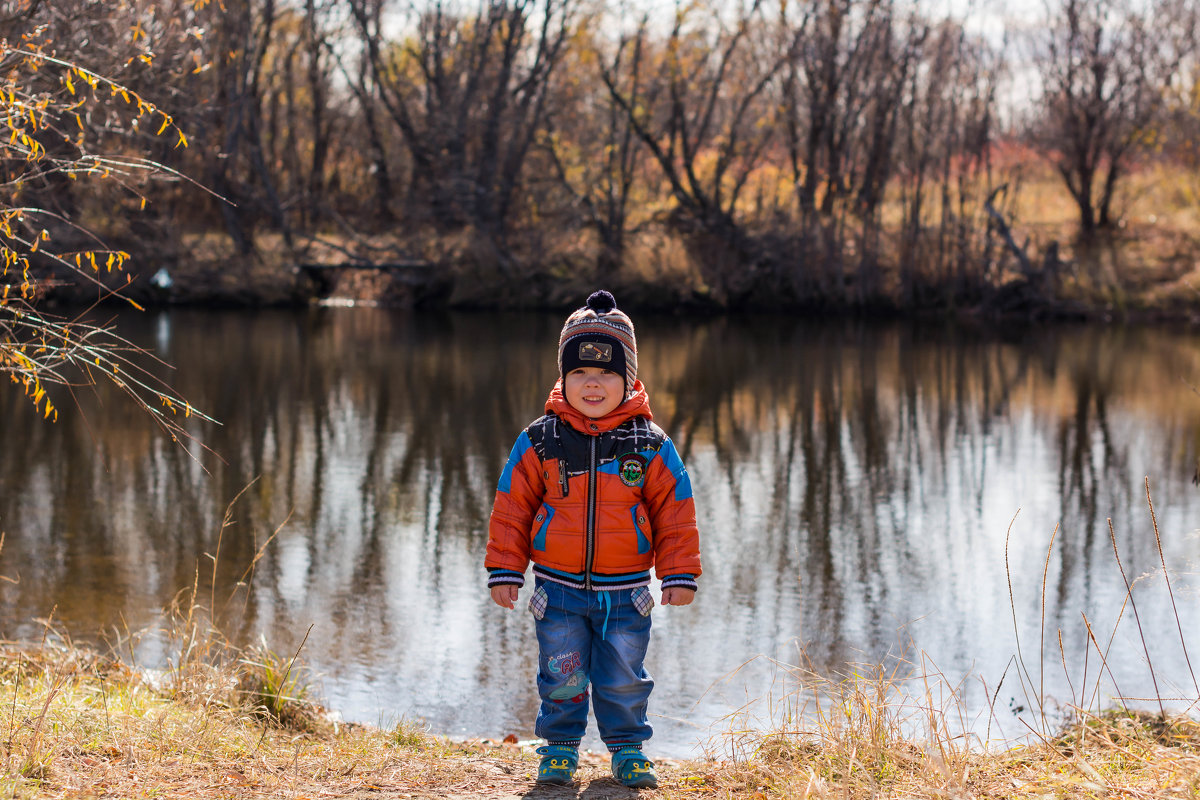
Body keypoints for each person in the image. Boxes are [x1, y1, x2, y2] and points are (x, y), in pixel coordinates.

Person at [485, 290, 702, 789]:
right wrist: (505, 568)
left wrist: (680, 572)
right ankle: (559, 747)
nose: (593, 384)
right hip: (557, 588)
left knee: (623, 675)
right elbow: (512, 506)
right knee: (561, 673)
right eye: (580, 372)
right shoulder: (541, 439)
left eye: (606, 373)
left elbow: (675, 513)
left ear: (628, 378)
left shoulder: (648, 443)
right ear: (563, 376)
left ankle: (627, 749)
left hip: (626, 591)